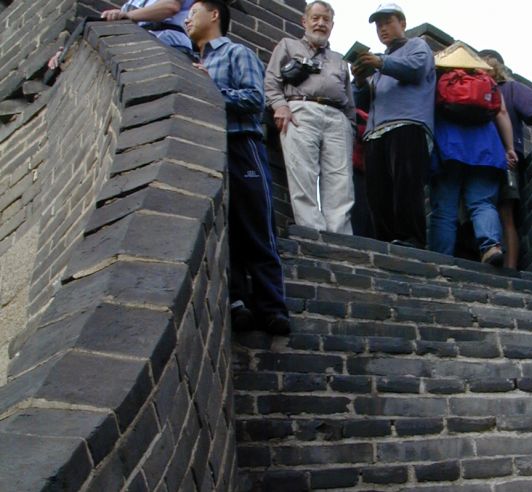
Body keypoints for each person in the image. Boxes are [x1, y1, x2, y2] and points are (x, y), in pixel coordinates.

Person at [185, 0, 290, 335]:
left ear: (214, 15)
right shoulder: (191, 61)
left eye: (193, 12)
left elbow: (253, 101)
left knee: (256, 224)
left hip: (242, 144)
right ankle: (238, 301)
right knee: (225, 226)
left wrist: (210, 87)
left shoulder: (235, 53)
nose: (187, 19)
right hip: (210, 149)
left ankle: (272, 306)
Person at [264, 1, 355, 235]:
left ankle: (340, 239)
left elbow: (349, 99)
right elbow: (271, 82)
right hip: (300, 111)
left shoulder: (339, 59)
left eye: (326, 20)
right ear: (304, 21)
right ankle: (313, 236)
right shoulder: (288, 45)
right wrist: (280, 106)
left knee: (341, 182)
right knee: (302, 174)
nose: (320, 23)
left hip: (337, 117)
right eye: (315, 18)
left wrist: (350, 127)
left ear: (332, 25)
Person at [351, 2, 436, 249]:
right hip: (375, 133)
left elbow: (416, 69)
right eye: (379, 25)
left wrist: (379, 64)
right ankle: (386, 242)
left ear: (403, 23)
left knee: (406, 186)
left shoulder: (418, 46)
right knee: (377, 194)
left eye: (388, 22)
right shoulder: (380, 61)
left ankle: (412, 240)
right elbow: (362, 102)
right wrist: (358, 80)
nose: (383, 29)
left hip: (408, 123)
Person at [429, 50, 517, 266]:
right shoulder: (485, 80)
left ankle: (441, 258)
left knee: (445, 207)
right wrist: (509, 148)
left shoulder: (439, 78)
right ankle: (491, 247)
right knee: (482, 203)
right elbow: (502, 113)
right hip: (486, 150)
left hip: (450, 148)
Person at [480, 50, 532, 269]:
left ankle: (509, 269)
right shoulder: (476, 91)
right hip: (486, 160)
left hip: (502, 160)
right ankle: (503, 267)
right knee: (495, 214)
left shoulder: (509, 90)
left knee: (503, 214)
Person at [48, 0, 195, 70]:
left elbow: (170, 7)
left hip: (169, 46)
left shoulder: (128, 10)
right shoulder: (132, 3)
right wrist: (69, 50)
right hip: (140, 48)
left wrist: (127, 15)